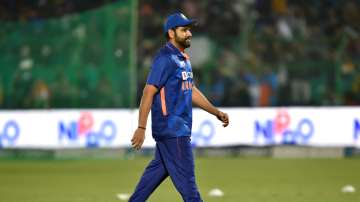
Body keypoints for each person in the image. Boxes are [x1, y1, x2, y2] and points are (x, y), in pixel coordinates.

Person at [129, 12, 229, 202]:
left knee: (148, 184)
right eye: (184, 30)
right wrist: (141, 127)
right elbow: (148, 92)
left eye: (189, 29)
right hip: (173, 131)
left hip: (173, 131)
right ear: (171, 33)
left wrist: (216, 112)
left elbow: (190, 90)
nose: (189, 33)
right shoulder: (165, 59)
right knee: (190, 192)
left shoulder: (183, 59)